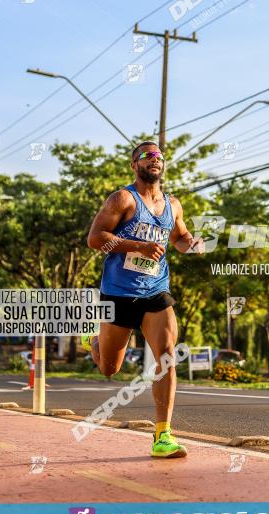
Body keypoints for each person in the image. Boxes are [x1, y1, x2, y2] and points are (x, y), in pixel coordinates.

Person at [87, 141, 204, 458]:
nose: (154, 160)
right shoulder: (123, 199)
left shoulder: (173, 205)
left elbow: (178, 238)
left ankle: (162, 436)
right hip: (118, 293)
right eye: (146, 156)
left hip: (156, 290)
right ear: (134, 165)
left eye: (159, 157)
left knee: (166, 356)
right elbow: (95, 238)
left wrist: (192, 244)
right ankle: (95, 343)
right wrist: (136, 246)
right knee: (110, 368)